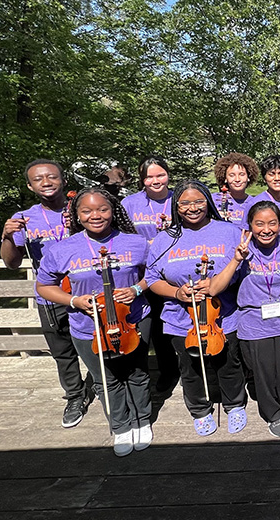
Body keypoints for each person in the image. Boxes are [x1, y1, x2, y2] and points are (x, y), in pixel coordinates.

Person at [35, 187, 152, 456]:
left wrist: (136, 289)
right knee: (105, 378)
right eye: (86, 211)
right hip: (87, 326)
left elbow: (154, 273)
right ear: (77, 215)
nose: (95, 215)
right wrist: (74, 301)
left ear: (113, 211)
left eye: (102, 209)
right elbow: (44, 286)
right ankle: (121, 425)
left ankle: (142, 420)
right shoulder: (63, 248)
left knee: (136, 372)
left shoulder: (134, 242)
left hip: (132, 320)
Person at [145, 180, 248, 436]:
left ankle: (234, 404)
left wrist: (220, 283)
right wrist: (177, 292)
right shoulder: (164, 239)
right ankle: (200, 410)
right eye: (186, 203)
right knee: (189, 369)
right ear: (176, 207)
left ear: (208, 202)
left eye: (199, 201)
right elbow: (151, 279)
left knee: (228, 363)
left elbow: (243, 269)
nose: (193, 208)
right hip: (180, 319)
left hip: (222, 316)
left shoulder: (229, 231)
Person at [1, 160, 91, 428]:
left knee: (101, 343)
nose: (46, 182)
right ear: (30, 186)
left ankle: (106, 384)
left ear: (63, 180)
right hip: (51, 296)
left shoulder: (82, 208)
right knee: (63, 351)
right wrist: (7, 236)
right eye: (39, 179)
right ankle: (75, 396)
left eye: (52, 177)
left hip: (87, 291)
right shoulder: (23, 218)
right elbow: (12, 263)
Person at [208, 201, 280, 437]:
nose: (266, 229)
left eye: (272, 223)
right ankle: (271, 413)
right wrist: (236, 260)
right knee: (263, 375)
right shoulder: (241, 250)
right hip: (254, 323)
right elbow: (214, 289)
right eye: (259, 224)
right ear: (250, 226)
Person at [121, 156, 179, 391]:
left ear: (168, 175)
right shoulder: (130, 203)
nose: (155, 181)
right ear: (142, 180)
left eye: (160, 175)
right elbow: (122, 234)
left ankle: (187, 368)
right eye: (149, 177)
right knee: (154, 326)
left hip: (175, 270)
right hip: (143, 275)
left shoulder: (179, 198)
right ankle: (166, 371)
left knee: (177, 322)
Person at [210, 152, 260, 228]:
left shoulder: (255, 203)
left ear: (249, 177)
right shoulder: (212, 200)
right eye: (232, 175)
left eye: (242, 174)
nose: (237, 179)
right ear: (225, 178)